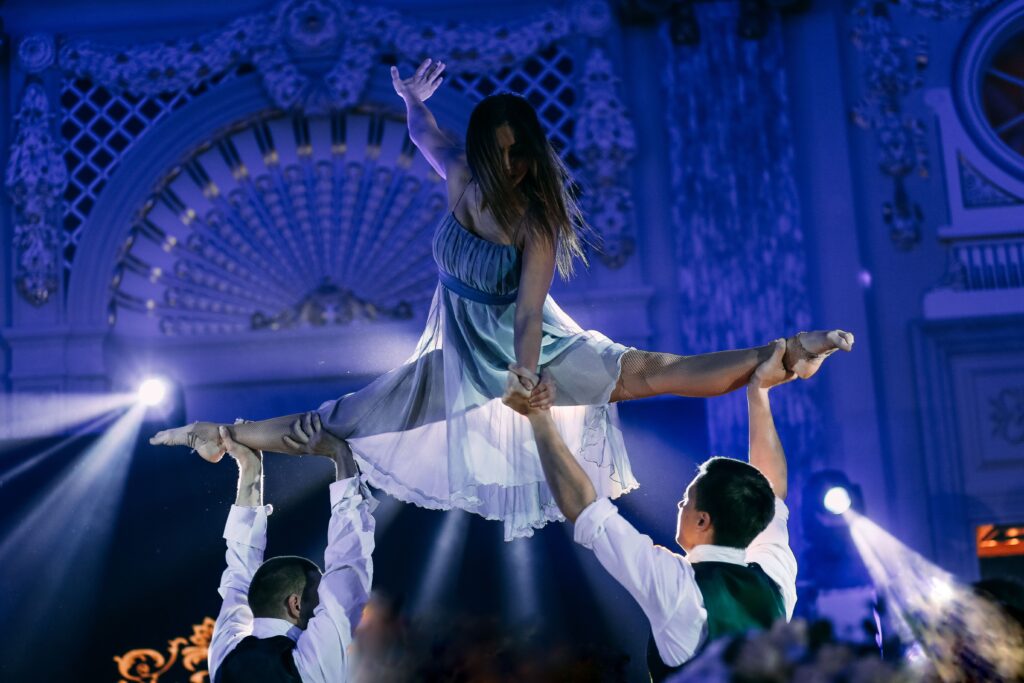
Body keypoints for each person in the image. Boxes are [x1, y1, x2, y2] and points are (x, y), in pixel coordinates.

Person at [151, 57, 853, 540]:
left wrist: (527, 375)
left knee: (648, 372)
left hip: (530, 350)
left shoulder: (534, 221)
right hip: (457, 359)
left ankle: (785, 353)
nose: (517, 165)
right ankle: (221, 434)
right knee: (342, 421)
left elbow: (525, 312)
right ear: (485, 152)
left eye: (525, 154)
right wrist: (411, 100)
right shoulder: (460, 178)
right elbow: (424, 132)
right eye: (506, 153)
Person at [507, 339, 799, 678]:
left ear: (703, 520)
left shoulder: (679, 588)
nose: (680, 504)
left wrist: (538, 417)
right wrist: (758, 392)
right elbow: (772, 491)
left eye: (687, 500)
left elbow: (589, 512)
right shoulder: (774, 581)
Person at [208, 415, 376, 683]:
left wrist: (249, 466)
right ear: (295, 603)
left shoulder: (226, 658)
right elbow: (347, 566)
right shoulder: (309, 665)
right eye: (319, 594)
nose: (324, 602)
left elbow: (240, 573)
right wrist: (339, 453)